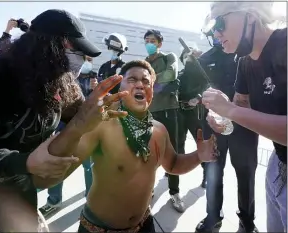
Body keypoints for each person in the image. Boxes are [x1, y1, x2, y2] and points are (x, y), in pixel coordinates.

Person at [0, 9, 126, 233]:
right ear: (43, 44)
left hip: (16, 176)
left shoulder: (63, 84)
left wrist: (96, 112)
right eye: (74, 49)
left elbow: (78, 119)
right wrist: (24, 163)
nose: (79, 59)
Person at [50, 60, 218, 233]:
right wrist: (74, 128)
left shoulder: (159, 130)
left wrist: (199, 155)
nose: (140, 85)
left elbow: (173, 164)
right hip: (99, 228)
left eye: (146, 82)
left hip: (144, 224)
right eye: (132, 80)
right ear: (120, 88)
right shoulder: (101, 126)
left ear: (152, 91)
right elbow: (54, 174)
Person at [201, 2, 287, 232]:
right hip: (278, 164)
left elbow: (235, 109)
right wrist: (223, 122)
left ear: (250, 15)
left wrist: (229, 110)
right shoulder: (245, 62)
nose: (215, 32)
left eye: (218, 22)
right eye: (211, 27)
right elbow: (239, 110)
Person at [195, 28, 259, 233]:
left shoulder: (249, 55)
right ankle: (213, 216)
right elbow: (197, 91)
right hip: (215, 126)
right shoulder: (205, 59)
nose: (219, 34)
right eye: (216, 30)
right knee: (213, 171)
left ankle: (247, 221)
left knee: (246, 173)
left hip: (245, 125)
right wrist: (208, 110)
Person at [39, 56, 99, 217]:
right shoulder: (64, 75)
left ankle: (90, 200)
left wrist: (96, 89)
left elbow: (97, 103)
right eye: (85, 58)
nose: (86, 62)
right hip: (63, 125)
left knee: (89, 165)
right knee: (58, 162)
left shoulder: (94, 77)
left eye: (90, 59)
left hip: (86, 127)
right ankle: (54, 200)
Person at [144, 29, 183, 212]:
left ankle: (174, 192)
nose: (149, 43)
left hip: (168, 111)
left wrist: (149, 80)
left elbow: (171, 74)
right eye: (146, 40)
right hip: (149, 112)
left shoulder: (169, 57)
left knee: (172, 151)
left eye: (152, 40)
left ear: (159, 43)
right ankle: (148, 189)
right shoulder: (143, 63)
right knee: (148, 153)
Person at [177, 48, 206, 188]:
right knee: (178, 142)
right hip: (180, 111)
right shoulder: (180, 74)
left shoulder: (199, 72)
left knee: (200, 142)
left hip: (194, 112)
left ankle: (207, 173)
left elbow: (207, 86)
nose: (186, 59)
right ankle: (176, 168)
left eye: (189, 56)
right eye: (184, 57)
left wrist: (198, 98)